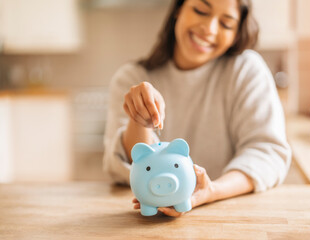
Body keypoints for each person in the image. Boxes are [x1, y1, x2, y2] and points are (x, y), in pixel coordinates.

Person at [103, 0, 292, 217]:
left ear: (236, 35)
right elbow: (126, 167)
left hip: (230, 217)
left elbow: (267, 153)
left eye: (226, 24)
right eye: (201, 11)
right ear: (178, 10)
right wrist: (138, 120)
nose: (209, 29)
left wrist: (212, 191)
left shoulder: (246, 71)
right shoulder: (131, 77)